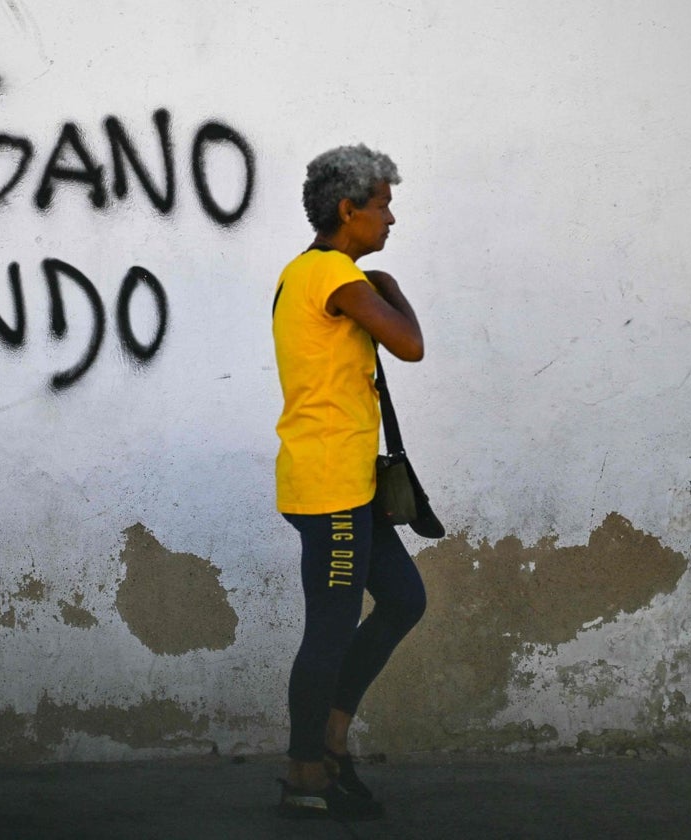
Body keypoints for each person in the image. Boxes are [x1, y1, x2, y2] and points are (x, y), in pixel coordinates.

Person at [271, 144, 427, 821]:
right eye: (383, 205)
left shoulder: (310, 274)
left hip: (348, 484)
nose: (391, 220)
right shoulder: (331, 273)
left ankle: (331, 737)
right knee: (329, 632)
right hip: (330, 486)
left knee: (403, 598)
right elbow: (410, 344)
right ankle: (307, 769)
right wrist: (392, 288)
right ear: (348, 209)